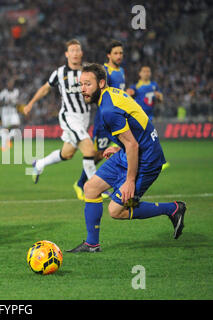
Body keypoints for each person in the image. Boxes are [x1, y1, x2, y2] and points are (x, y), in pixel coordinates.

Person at [67, 63, 186, 253]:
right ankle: (91, 245)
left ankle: (172, 209)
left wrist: (130, 180)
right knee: (90, 188)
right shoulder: (111, 95)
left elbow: (133, 144)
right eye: (81, 84)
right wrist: (119, 147)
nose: (83, 89)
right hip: (131, 151)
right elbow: (132, 128)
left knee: (116, 210)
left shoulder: (108, 110)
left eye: (88, 84)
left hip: (146, 158)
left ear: (101, 83)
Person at [24, 39, 95, 185]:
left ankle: (39, 164)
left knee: (67, 154)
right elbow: (45, 88)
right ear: (67, 54)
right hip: (69, 117)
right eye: (72, 50)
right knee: (89, 149)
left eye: (77, 50)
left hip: (85, 117)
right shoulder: (59, 73)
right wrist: (30, 103)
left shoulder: (88, 71)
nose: (75, 53)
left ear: (81, 53)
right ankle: (96, 187)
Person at [74, 40, 126, 200]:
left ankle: (116, 183)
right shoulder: (105, 72)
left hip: (118, 118)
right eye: (115, 53)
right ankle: (82, 182)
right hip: (105, 121)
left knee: (114, 150)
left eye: (121, 53)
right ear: (109, 55)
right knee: (97, 154)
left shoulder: (121, 70)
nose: (119, 56)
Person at [128, 66, 169, 170]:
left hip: (149, 116)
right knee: (150, 139)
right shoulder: (136, 86)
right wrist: (129, 93)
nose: (146, 73)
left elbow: (160, 98)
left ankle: (149, 161)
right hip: (139, 117)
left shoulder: (154, 85)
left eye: (148, 71)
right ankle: (155, 162)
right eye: (144, 71)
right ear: (140, 74)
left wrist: (159, 96)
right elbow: (128, 94)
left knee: (149, 140)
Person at [0, 78, 21, 151]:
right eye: (9, 83)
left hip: (13, 111)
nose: (10, 85)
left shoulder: (16, 92)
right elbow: (0, 103)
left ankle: (8, 139)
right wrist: (5, 102)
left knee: (16, 125)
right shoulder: (3, 93)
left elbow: (18, 101)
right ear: (7, 84)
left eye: (11, 83)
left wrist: (14, 102)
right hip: (5, 112)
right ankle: (3, 146)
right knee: (6, 129)